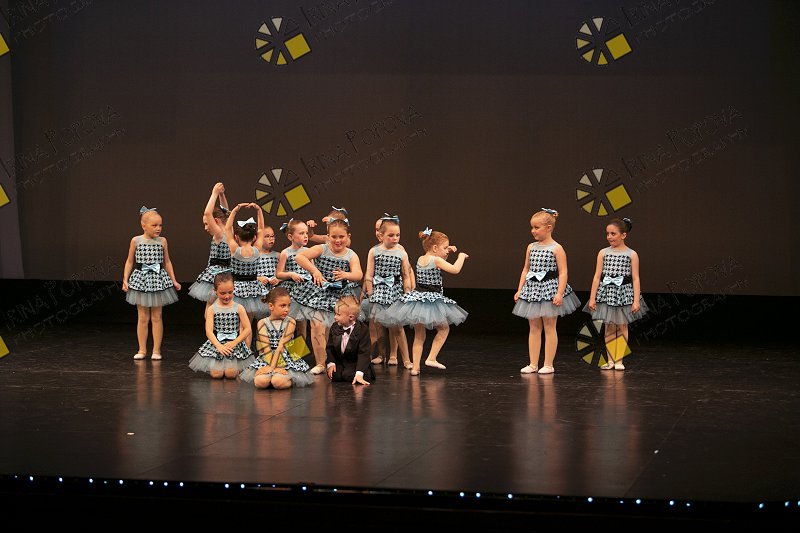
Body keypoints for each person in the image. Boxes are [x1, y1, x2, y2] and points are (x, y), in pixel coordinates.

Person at [388, 227, 468, 376]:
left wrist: (447, 251)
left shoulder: (421, 259)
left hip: (418, 300)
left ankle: (415, 368)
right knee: (444, 329)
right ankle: (431, 358)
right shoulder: (436, 260)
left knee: (419, 336)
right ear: (435, 248)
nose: (446, 251)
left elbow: (438, 264)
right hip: (432, 300)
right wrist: (461, 256)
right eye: (444, 248)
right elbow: (455, 269)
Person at [512, 208, 580, 375]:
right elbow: (526, 269)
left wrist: (559, 293)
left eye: (537, 227)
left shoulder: (557, 248)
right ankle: (533, 364)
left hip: (549, 289)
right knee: (534, 327)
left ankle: (548, 364)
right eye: (532, 227)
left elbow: (563, 272)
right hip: (533, 290)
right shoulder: (531, 247)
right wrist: (520, 289)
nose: (533, 231)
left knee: (549, 326)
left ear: (548, 228)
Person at [296, 217, 363, 375]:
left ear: (348, 236)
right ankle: (320, 362)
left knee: (339, 328)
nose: (338, 240)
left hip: (340, 296)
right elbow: (300, 257)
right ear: (328, 236)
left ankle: (337, 360)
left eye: (341, 237)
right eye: (334, 237)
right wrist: (315, 271)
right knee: (317, 326)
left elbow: (358, 274)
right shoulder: (322, 248)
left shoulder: (351, 255)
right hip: (321, 293)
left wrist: (346, 274)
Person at [584, 217, 649, 370]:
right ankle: (610, 360)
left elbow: (635, 278)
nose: (609, 237)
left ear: (623, 235)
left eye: (613, 234)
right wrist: (592, 297)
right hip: (607, 294)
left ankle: (619, 359)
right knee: (609, 327)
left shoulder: (631, 254)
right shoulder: (603, 252)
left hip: (623, 294)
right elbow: (597, 276)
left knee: (622, 326)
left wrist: (636, 300)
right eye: (607, 234)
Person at [123, 206, 180, 360]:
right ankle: (142, 350)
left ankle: (156, 350)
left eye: (160, 225)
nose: (158, 228)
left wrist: (174, 280)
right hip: (141, 280)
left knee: (157, 316)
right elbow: (130, 261)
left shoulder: (163, 241)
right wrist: (125, 279)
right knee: (142, 317)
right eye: (154, 225)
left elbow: (167, 262)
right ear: (144, 225)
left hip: (157, 280)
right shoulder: (136, 240)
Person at [362, 214, 413, 369]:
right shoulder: (374, 251)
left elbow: (406, 275)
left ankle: (406, 359)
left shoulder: (401, 253)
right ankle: (381, 355)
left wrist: (407, 293)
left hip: (394, 292)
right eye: (391, 235)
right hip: (378, 291)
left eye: (397, 235)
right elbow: (369, 274)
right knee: (378, 326)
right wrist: (371, 293)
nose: (395, 238)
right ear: (381, 235)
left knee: (397, 326)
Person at [240, 287, 314, 389]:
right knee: (260, 382)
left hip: (286, 357)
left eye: (288, 305)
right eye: (283, 306)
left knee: (278, 382)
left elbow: (281, 346)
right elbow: (266, 347)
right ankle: (272, 376)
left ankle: (290, 378)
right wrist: (270, 367)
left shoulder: (291, 322)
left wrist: (272, 368)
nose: (287, 309)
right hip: (268, 357)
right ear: (271, 306)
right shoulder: (262, 323)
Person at [188, 271, 253, 378]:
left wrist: (235, 342)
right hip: (218, 344)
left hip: (234, 345)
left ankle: (232, 366)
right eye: (223, 293)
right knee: (217, 375)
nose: (227, 296)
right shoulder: (212, 309)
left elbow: (247, 329)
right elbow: (209, 331)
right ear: (215, 291)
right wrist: (218, 346)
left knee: (231, 374)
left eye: (230, 292)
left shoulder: (239, 308)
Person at [224, 203, 267, 341]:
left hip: (237, 289)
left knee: (239, 324)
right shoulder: (257, 248)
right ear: (254, 237)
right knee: (248, 324)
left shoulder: (234, 249)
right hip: (253, 289)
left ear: (237, 237)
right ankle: (246, 350)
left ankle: (239, 349)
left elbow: (227, 228)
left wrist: (235, 210)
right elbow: (261, 229)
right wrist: (259, 210)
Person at [188, 183, 231, 308]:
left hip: (218, 274)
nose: (206, 228)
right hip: (225, 274)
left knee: (213, 306)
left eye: (207, 224)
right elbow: (226, 211)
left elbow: (208, 213)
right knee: (216, 306)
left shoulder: (219, 233)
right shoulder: (229, 230)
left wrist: (215, 193)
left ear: (215, 221)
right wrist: (222, 195)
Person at [326, 295, 374, 385]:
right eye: (335, 314)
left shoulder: (362, 330)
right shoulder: (335, 327)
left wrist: (359, 373)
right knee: (336, 376)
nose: (335, 317)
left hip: (356, 363)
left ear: (351, 317)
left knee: (348, 375)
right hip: (342, 362)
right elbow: (330, 348)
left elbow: (364, 353)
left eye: (338, 315)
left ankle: (362, 373)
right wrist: (331, 363)